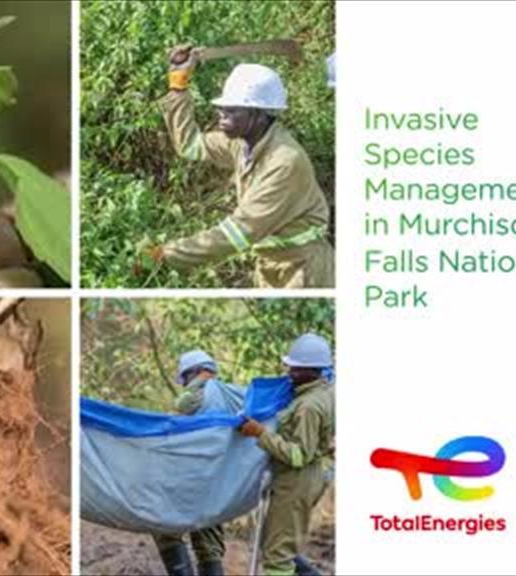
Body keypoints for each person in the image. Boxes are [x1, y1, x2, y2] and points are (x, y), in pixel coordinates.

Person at [144, 46, 334, 288]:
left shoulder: (285, 162)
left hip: (304, 268)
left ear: (259, 114)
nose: (222, 114)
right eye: (222, 108)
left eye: (232, 110)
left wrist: (164, 256)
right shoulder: (241, 142)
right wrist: (178, 83)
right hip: (269, 263)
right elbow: (190, 146)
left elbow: (237, 234)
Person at [239, 334, 335, 576]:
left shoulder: (308, 406)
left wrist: (260, 433)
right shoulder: (324, 391)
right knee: (276, 544)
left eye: (296, 368)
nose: (290, 371)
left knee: (277, 558)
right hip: (305, 477)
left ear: (313, 370)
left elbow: (298, 455)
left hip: (297, 480)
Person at [153, 350, 228, 576]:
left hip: (191, 477)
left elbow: (171, 427)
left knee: (164, 528)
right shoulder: (228, 395)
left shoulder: (194, 394)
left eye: (185, 377)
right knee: (209, 543)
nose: (184, 383)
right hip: (219, 479)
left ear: (195, 372)